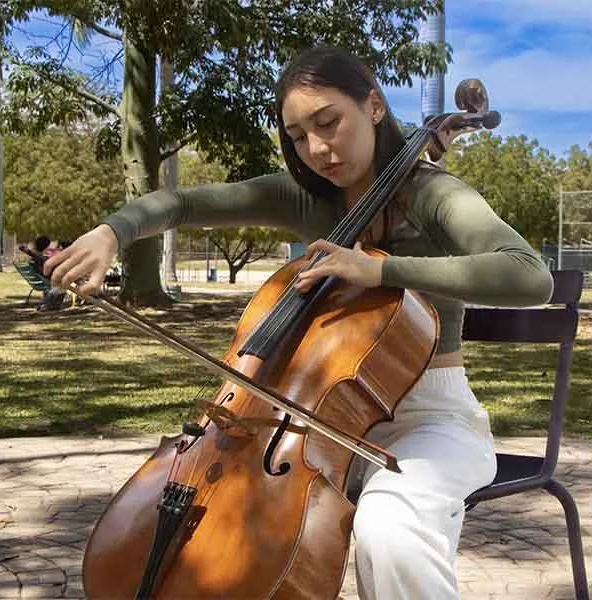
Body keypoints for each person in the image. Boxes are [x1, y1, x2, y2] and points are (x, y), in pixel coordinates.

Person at [45, 46, 553, 600]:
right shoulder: (304, 196)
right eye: (297, 135)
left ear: (374, 106)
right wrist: (110, 233)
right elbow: (181, 204)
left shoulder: (432, 195)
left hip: (429, 422)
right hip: (303, 430)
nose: (316, 149)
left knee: (392, 532)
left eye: (329, 123)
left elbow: (530, 277)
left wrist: (383, 269)